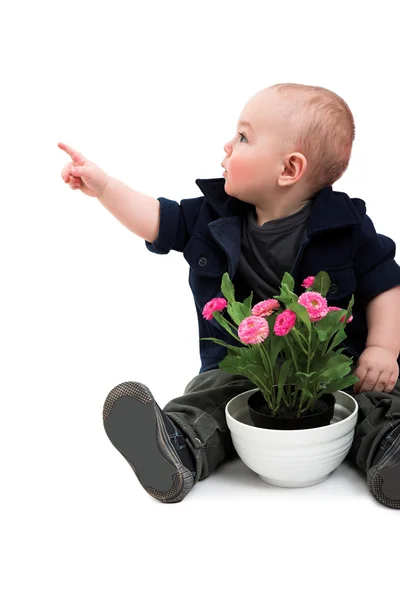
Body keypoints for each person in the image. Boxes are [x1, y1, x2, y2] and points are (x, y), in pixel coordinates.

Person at [59, 83, 400, 509]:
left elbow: (385, 284)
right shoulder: (212, 214)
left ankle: (391, 449)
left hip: (334, 366)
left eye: (243, 136)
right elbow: (157, 220)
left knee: (376, 400)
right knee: (214, 395)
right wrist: (105, 187)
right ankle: (176, 445)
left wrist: (383, 348)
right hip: (247, 368)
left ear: (289, 169)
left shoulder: (346, 226)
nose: (227, 144)